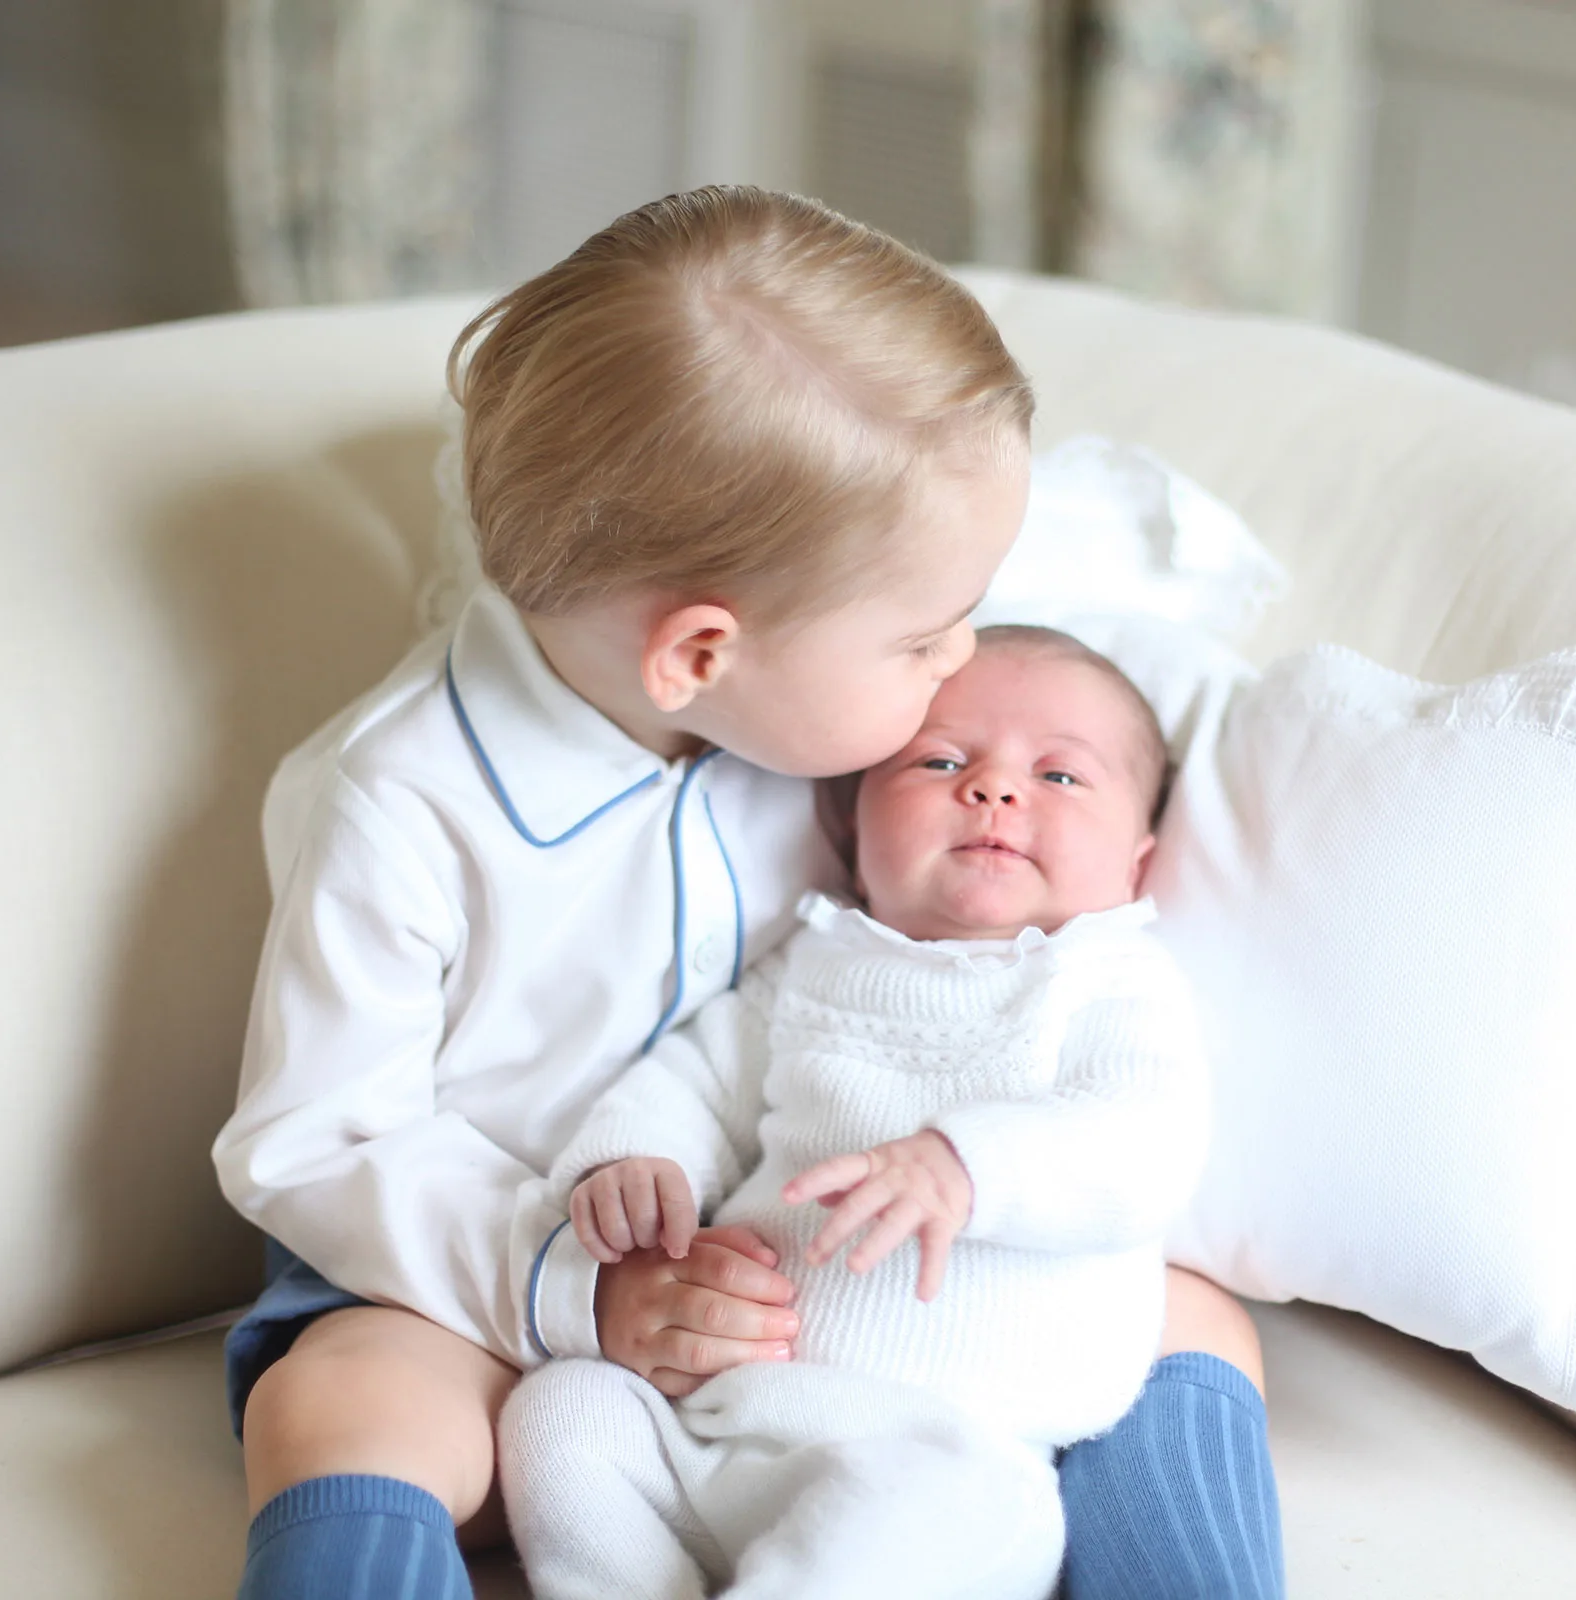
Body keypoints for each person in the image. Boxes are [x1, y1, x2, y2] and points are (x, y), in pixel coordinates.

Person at [212, 187, 1282, 1600]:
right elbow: (310, 1144)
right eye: (922, 637)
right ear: (701, 654)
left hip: (837, 1284)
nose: (957, 656)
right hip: (493, 1286)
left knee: (1192, 1313)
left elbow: (1013, 605)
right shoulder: (402, 805)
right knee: (340, 1397)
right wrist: (578, 1287)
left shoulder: (825, 710)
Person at [502, 625, 1208, 1599]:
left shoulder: (1109, 980)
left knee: (944, 1512)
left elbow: (1148, 1145)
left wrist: (966, 1165)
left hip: (951, 1449)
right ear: (851, 823)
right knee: (564, 1410)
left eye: (1062, 777)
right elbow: (699, 1078)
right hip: (722, 1418)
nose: (996, 789)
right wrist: (633, 1160)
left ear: (1135, 863)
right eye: (942, 760)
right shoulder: (818, 961)